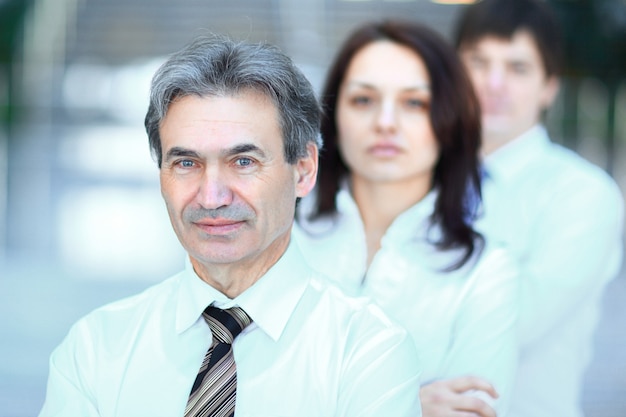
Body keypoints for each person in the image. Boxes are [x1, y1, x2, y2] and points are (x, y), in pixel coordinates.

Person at [38, 34, 423, 417]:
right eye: (186, 163)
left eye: (243, 162)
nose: (212, 197)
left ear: (304, 170)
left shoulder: (368, 351)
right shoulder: (96, 348)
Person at [294, 20, 519, 417]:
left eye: (415, 103)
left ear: (450, 120)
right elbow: (233, 388)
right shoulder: (279, 236)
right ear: (333, 117)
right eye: (363, 100)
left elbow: (471, 410)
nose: (386, 122)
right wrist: (406, 404)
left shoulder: (486, 271)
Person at [454, 1, 625, 416]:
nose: (493, 83)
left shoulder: (584, 194)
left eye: (517, 68)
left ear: (550, 85)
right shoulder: (417, 176)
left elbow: (513, 323)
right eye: (478, 61)